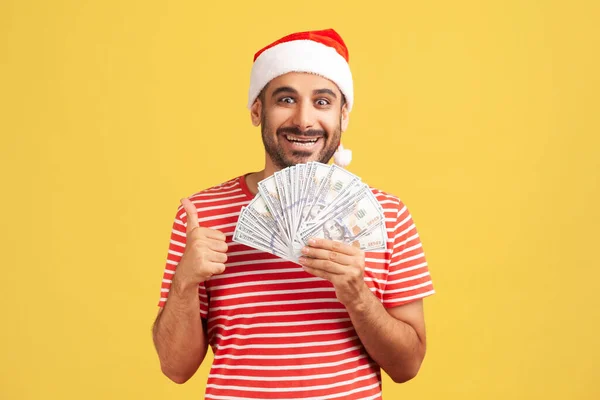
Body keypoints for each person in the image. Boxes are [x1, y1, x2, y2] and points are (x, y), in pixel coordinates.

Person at [152, 28, 435, 399]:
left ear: (343, 115)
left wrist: (356, 295)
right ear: (257, 110)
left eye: (322, 102)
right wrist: (185, 283)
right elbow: (175, 369)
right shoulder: (202, 214)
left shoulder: (389, 215)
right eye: (286, 99)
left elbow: (407, 367)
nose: (304, 120)